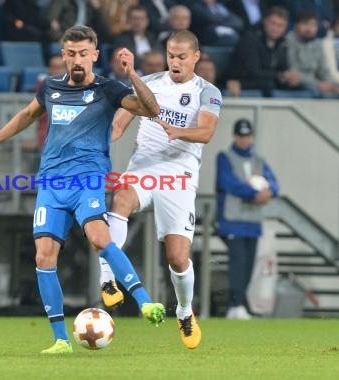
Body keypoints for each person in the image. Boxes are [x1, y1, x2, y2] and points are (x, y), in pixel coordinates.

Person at [0, 25, 165, 354]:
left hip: (87, 180)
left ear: (95, 56)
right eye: (71, 53)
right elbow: (26, 116)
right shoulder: (51, 89)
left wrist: (132, 74)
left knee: (99, 238)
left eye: (83, 54)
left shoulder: (109, 89)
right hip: (50, 184)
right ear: (63, 55)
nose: (77, 60)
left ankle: (145, 302)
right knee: (44, 257)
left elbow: (151, 109)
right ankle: (61, 340)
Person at [99, 30, 222, 350]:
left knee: (178, 258)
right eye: (171, 56)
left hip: (179, 177)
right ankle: (108, 277)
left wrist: (177, 131)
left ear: (196, 57)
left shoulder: (207, 92)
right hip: (143, 169)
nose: (175, 62)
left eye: (182, 57)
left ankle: (183, 311)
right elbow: (117, 124)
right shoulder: (149, 83)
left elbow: (206, 132)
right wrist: (97, 146)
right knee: (121, 197)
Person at [216, 118, 279, 320]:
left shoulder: (258, 160)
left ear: (252, 137)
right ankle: (234, 305)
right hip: (233, 219)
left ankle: (240, 304)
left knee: (249, 264)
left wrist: (270, 192)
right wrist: (254, 193)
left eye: (247, 136)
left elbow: (274, 183)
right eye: (241, 136)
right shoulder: (224, 157)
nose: (244, 140)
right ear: (235, 136)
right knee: (238, 263)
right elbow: (229, 183)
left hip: (253, 221)